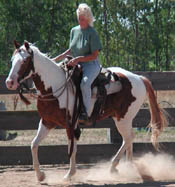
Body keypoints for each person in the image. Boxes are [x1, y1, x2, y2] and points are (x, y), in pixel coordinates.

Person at [52, 3, 102, 123]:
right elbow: (70, 50)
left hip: (91, 64)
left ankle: (85, 112)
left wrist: (78, 59)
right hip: (75, 62)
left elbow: (94, 55)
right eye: (79, 18)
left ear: (88, 19)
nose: (80, 21)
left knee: (84, 84)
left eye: (83, 19)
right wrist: (55, 59)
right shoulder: (73, 31)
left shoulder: (92, 32)